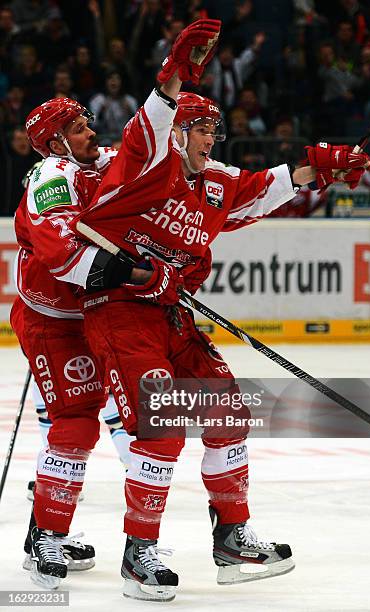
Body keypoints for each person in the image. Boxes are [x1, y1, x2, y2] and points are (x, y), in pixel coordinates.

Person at [69, 19, 370, 602]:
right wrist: (175, 76)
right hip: (122, 312)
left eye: (214, 130)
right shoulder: (138, 167)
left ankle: (232, 538)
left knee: (228, 409)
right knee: (162, 427)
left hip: (171, 316)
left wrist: (323, 167)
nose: (212, 140)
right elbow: (150, 125)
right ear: (177, 133)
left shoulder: (214, 183)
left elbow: (263, 185)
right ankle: (139, 553)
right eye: (201, 129)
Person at [10, 97, 138, 589]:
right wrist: (137, 272)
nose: (91, 133)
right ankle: (45, 534)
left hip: (87, 313)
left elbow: (141, 158)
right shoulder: (50, 179)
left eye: (88, 124)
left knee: (86, 418)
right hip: (50, 319)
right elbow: (63, 250)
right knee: (74, 424)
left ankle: (40, 531)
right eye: (80, 127)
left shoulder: (92, 161)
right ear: (57, 141)